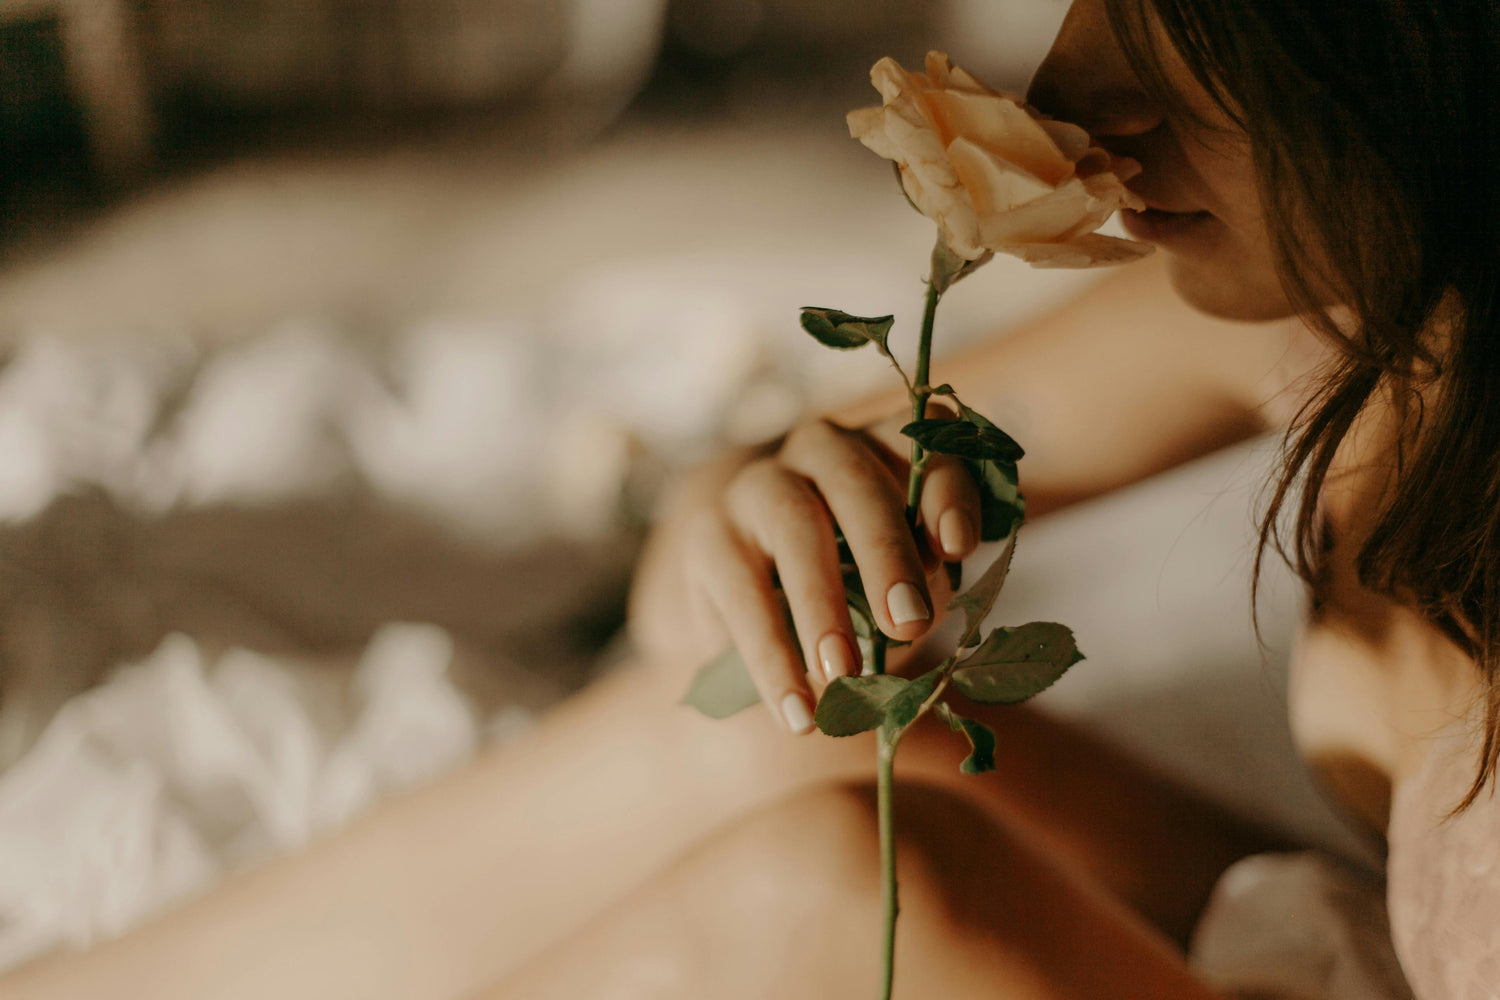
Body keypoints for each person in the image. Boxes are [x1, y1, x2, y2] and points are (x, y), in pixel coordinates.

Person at [4, 0, 1497, 996]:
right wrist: (753, 521)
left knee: (828, 886)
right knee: (783, 735)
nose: (1069, 93)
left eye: (1204, 27)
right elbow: (714, 557)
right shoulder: (1366, 317)